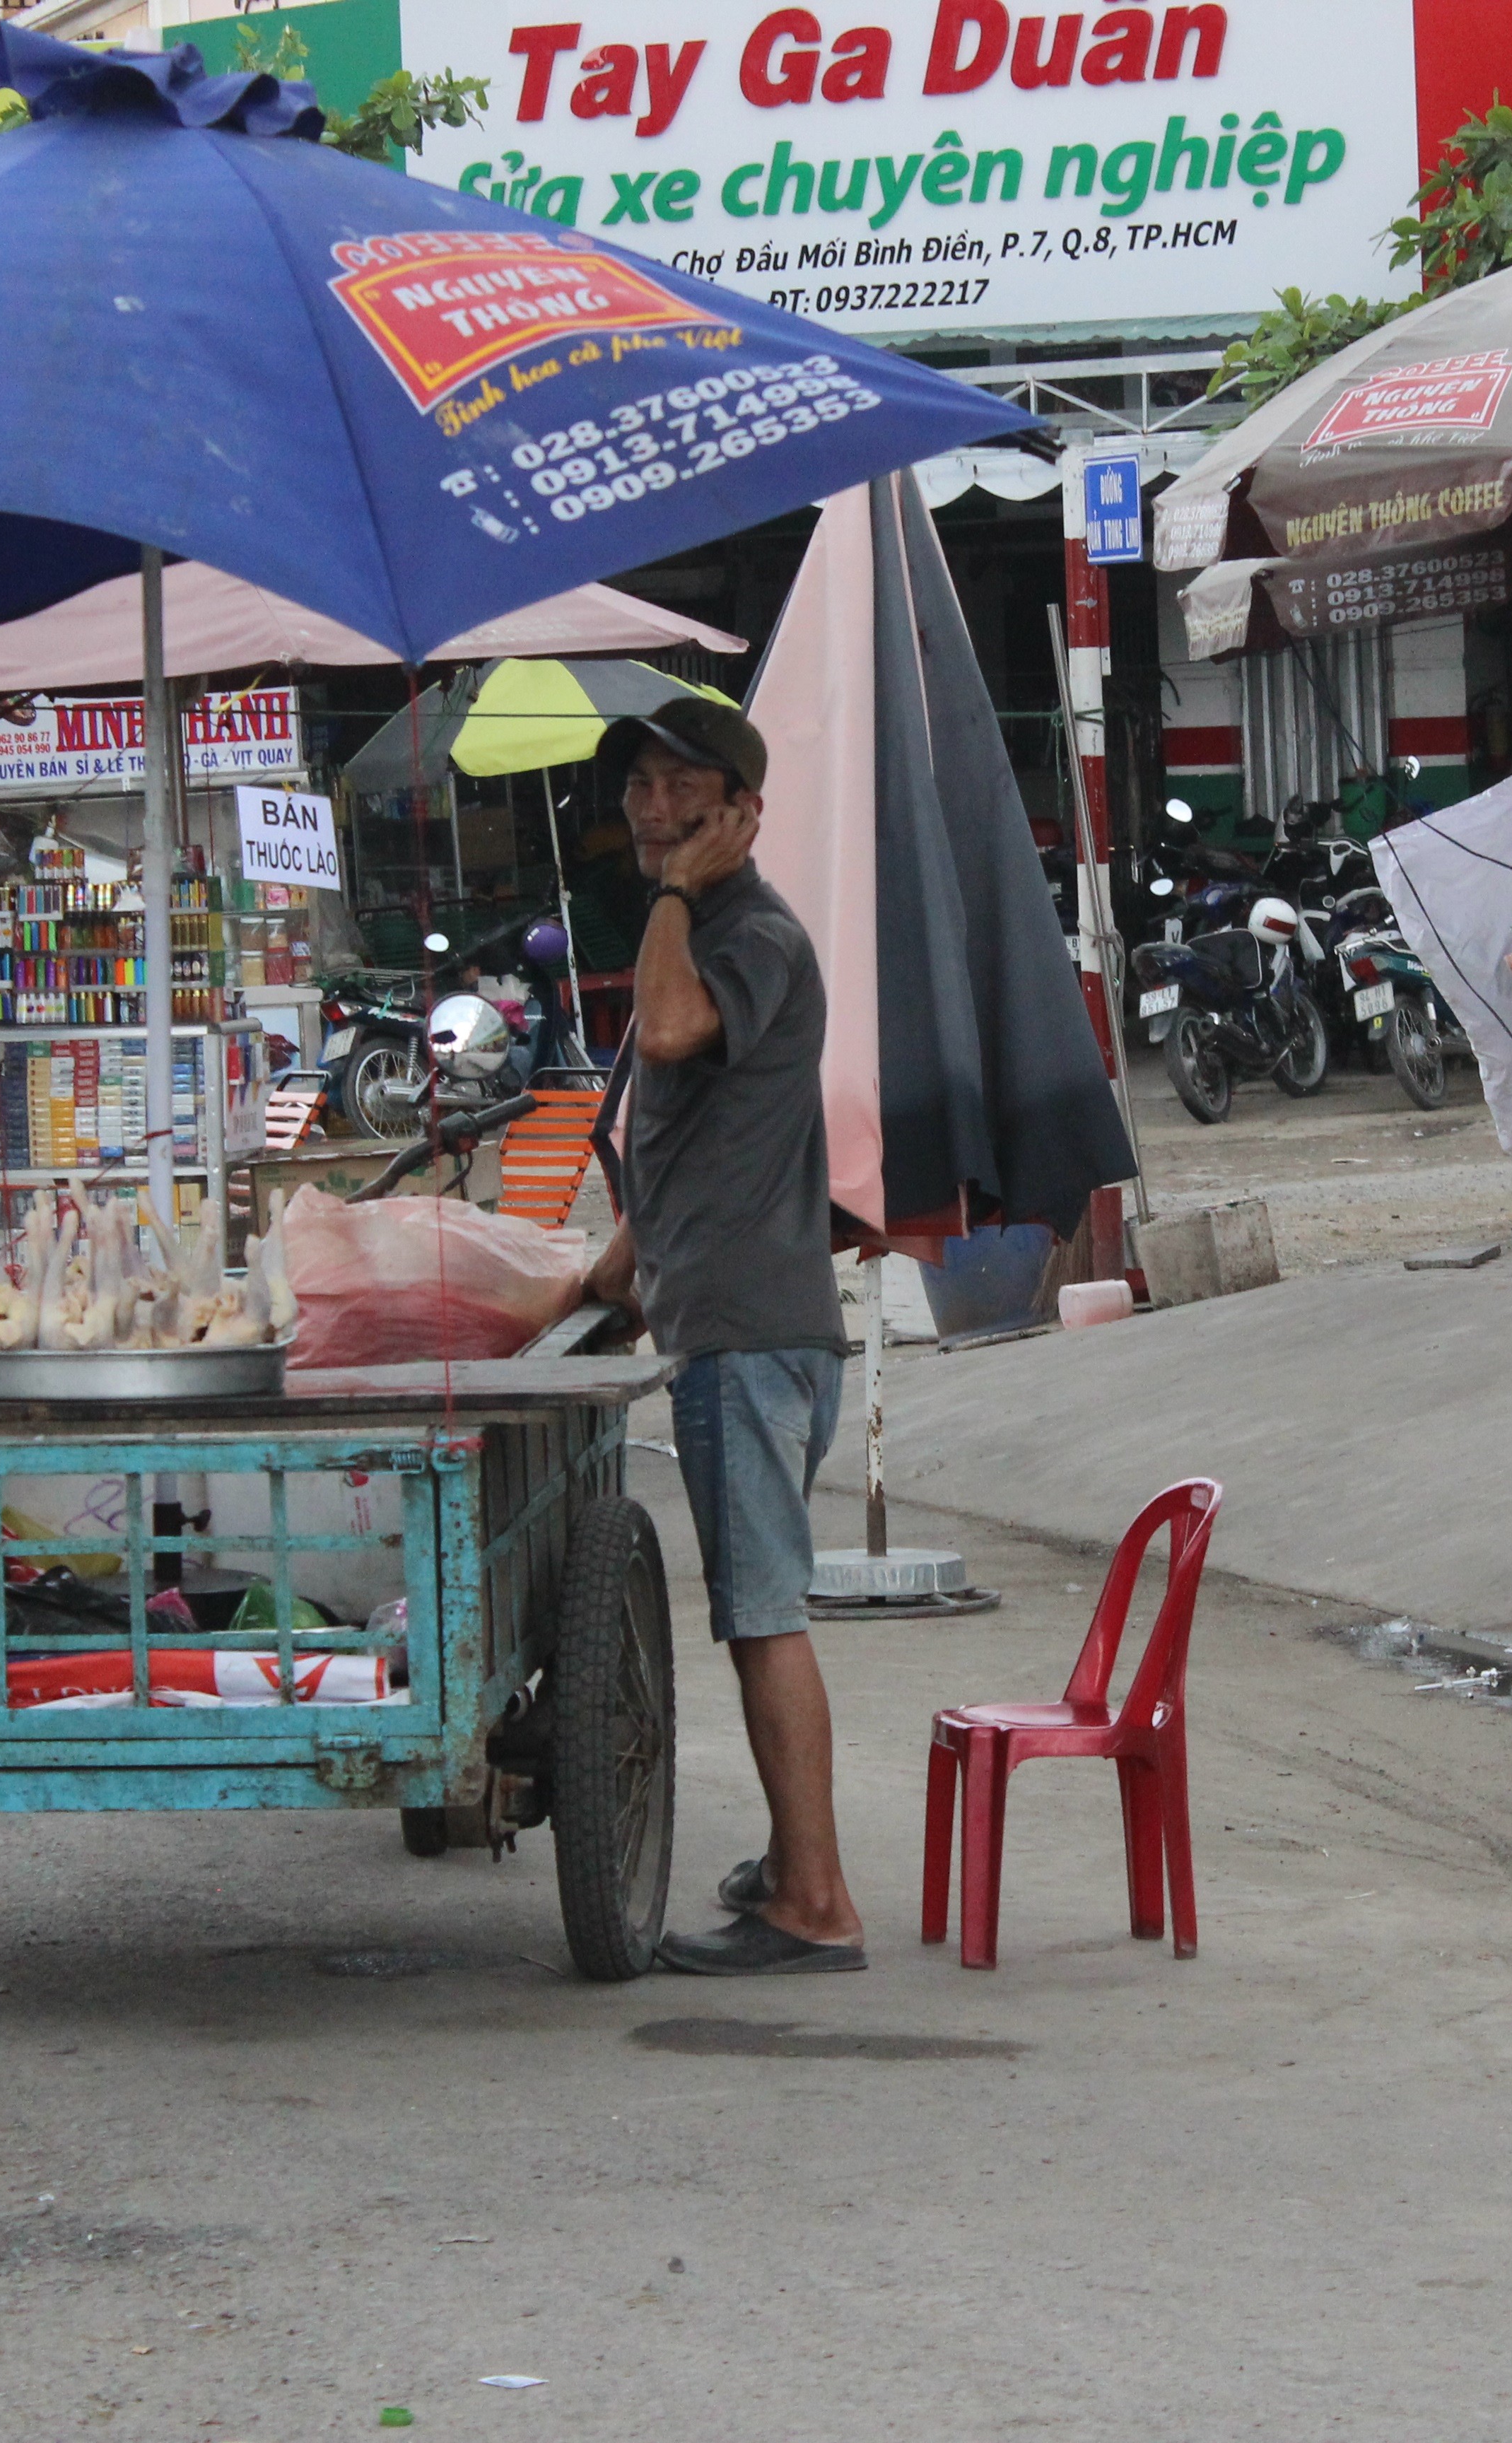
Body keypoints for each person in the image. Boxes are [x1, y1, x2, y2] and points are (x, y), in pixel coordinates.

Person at [584, 701, 864, 1976]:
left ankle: (816, 1903)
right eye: (640, 786)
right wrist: (598, 1281)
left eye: (681, 790)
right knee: (758, 1607)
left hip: (752, 1340)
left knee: (762, 1614)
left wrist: (677, 896)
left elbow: (677, 1032)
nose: (652, 809)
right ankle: (789, 1866)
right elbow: (684, 1149)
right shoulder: (717, 930)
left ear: (742, 813)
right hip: (735, 1322)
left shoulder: (745, 934)